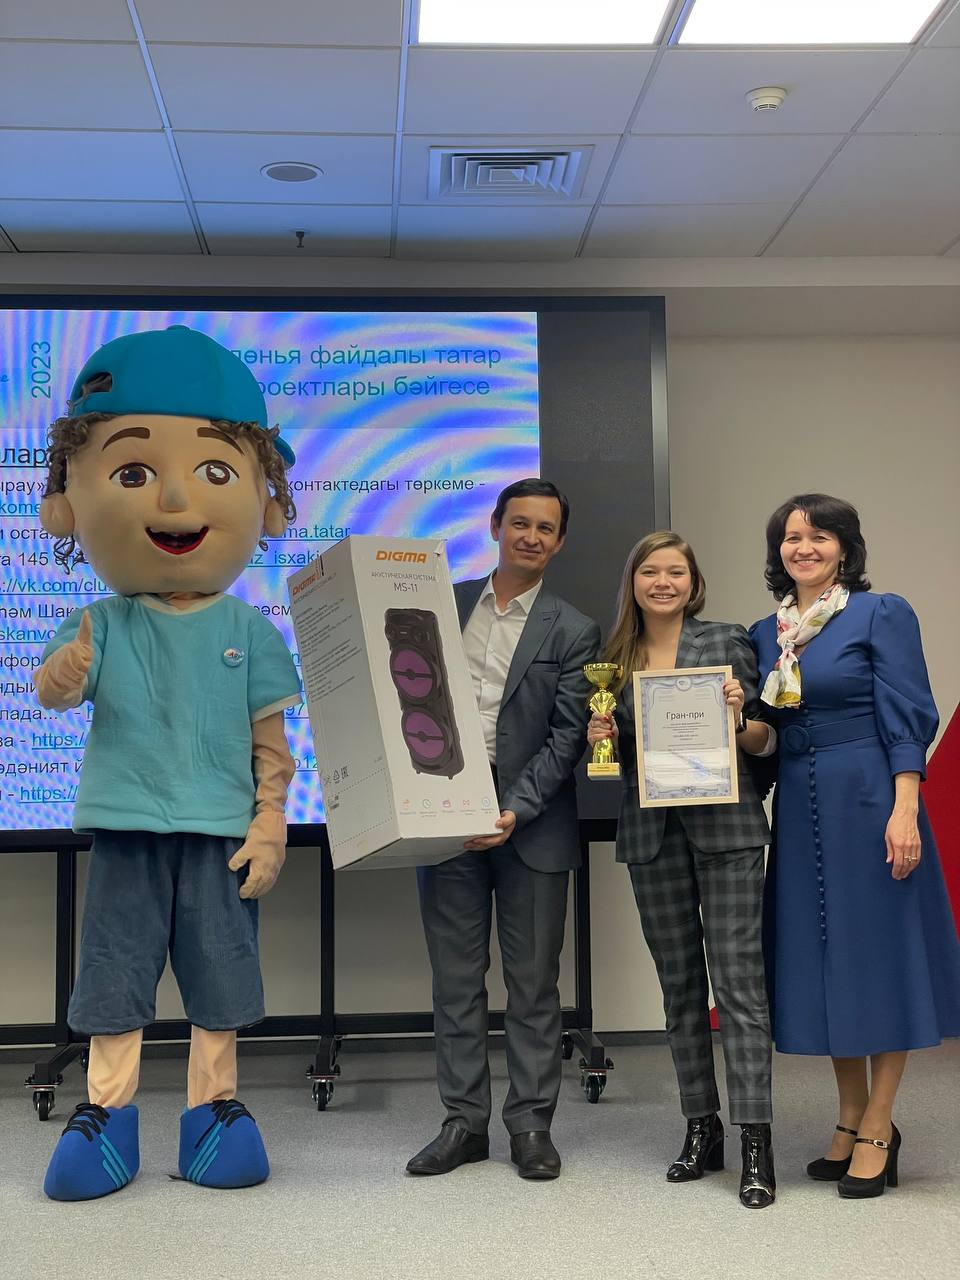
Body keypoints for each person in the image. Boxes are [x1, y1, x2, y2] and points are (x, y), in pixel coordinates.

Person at [34, 326, 301, 1200]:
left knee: (220, 975)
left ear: (264, 500)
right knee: (114, 971)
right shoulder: (103, 622)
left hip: (220, 832)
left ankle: (213, 1111)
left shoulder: (250, 630)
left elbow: (271, 744)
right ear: (68, 502)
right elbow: (56, 689)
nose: (178, 499)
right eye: (132, 472)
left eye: (217, 470)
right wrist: (65, 672)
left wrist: (270, 821)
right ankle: (105, 1113)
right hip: (125, 827)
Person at [751, 494, 960, 1200]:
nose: (803, 547)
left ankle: (879, 1123)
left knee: (879, 956)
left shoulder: (880, 613)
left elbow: (909, 713)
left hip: (870, 798)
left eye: (819, 535)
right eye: (791, 537)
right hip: (799, 804)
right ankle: (848, 1115)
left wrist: (906, 809)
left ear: (845, 547)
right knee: (824, 959)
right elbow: (767, 732)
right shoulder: (766, 633)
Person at [407, 478, 600, 1181]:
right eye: (520, 523)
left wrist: (513, 808)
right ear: (495, 526)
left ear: (560, 541)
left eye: (545, 528)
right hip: (444, 811)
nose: (531, 537)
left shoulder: (573, 629)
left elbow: (568, 736)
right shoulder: (441, 605)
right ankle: (463, 1123)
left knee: (533, 985)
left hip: (533, 821)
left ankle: (530, 1125)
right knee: (455, 981)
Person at [588, 531, 778, 1209]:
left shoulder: (726, 641)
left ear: (693, 583)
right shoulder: (612, 658)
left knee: (739, 989)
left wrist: (738, 719)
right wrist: (603, 742)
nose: (663, 582)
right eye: (650, 571)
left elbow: (765, 739)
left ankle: (756, 1140)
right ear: (633, 581)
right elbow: (619, 762)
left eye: (675, 571)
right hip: (652, 835)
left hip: (728, 832)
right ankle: (702, 1127)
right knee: (679, 991)